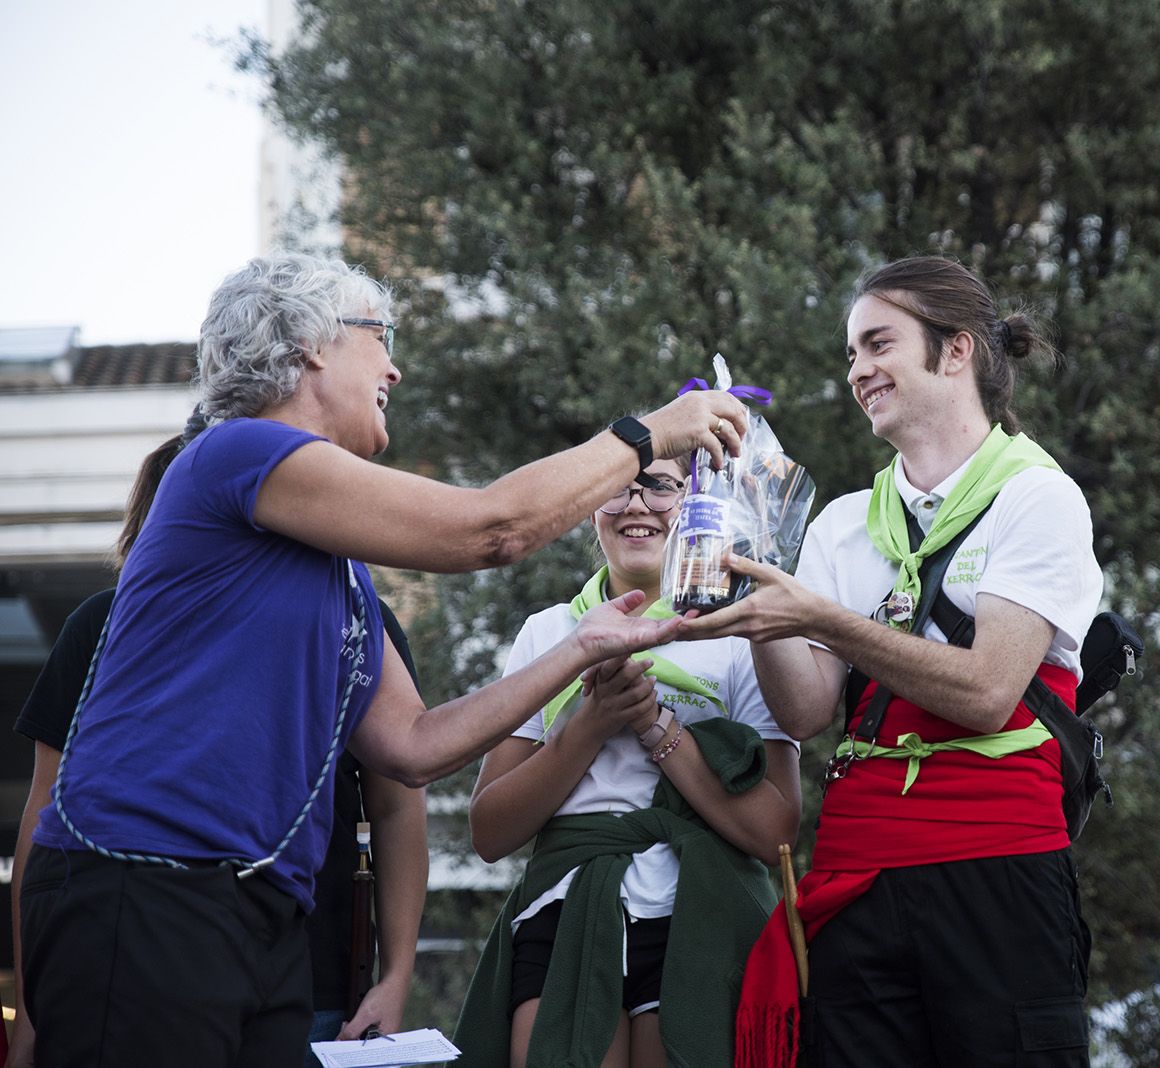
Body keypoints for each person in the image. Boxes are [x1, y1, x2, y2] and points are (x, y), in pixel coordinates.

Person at [17, 253, 750, 1068]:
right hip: (144, 884)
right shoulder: (236, 453)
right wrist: (651, 432)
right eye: (383, 336)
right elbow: (491, 530)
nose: (395, 365)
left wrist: (581, 650)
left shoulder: (340, 571)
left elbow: (414, 745)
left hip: (261, 915)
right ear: (311, 346)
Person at [683, 256, 1104, 1066]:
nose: (858, 371)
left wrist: (822, 618)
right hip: (860, 867)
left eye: (878, 344)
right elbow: (805, 714)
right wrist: (756, 605)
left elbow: (987, 693)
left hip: (997, 864)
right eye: (850, 354)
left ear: (957, 352)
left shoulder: (1037, 496)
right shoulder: (842, 521)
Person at [5, 437, 429, 1068]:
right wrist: (32, 1001)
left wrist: (396, 975)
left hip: (311, 971)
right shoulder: (103, 623)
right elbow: (43, 811)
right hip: (141, 948)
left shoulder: (353, 619)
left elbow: (400, 802)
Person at [453, 451, 801, 1068]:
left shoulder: (741, 633)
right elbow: (490, 830)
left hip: (701, 912)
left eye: (660, 488)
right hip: (566, 905)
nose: (637, 504)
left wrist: (656, 727)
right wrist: (591, 724)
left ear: (694, 505)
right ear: (592, 510)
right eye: (618, 488)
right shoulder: (550, 631)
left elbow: (775, 830)